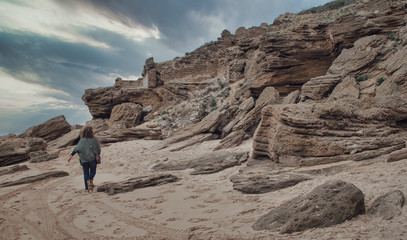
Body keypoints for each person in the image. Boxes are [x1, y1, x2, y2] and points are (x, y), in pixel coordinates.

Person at [68, 126, 101, 190]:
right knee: (93, 172)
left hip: (84, 160)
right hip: (92, 159)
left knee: (86, 173)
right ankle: (89, 181)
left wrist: (71, 155)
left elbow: (76, 149)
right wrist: (97, 154)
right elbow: (98, 149)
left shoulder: (81, 140)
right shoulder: (94, 140)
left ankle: (87, 187)